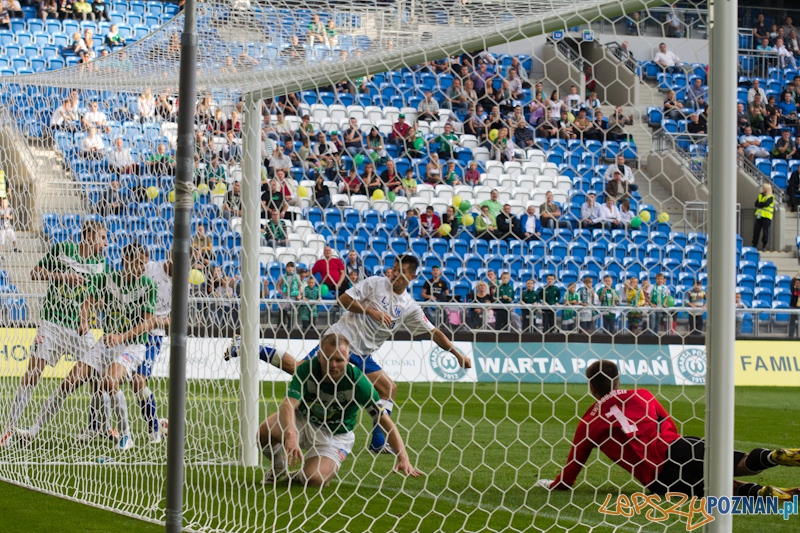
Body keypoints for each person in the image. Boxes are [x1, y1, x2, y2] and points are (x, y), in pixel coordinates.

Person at [537, 360, 800, 498]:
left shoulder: (589, 421)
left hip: (658, 476)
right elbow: (668, 423)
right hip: (676, 446)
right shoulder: (642, 395)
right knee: (737, 461)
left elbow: (574, 465)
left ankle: (773, 493)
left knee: (724, 489)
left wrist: (556, 485)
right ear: (617, 381)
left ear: (592, 388)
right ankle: (772, 456)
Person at [15, 243, 159, 451]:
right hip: (107, 343)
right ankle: (33, 431)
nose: (143, 268)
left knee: (109, 381)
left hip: (131, 345)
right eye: (139, 264)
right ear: (126, 261)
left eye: (145, 264)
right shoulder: (108, 279)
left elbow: (147, 323)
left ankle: (126, 436)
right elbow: (87, 301)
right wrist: (84, 320)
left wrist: (121, 337)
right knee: (69, 382)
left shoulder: (148, 286)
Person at [258, 334, 422, 486]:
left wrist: (403, 456)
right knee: (263, 433)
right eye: (328, 359)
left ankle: (298, 475)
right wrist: (290, 433)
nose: (333, 365)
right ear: (320, 356)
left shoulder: (358, 382)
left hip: (335, 436)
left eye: (339, 360)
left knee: (314, 479)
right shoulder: (307, 370)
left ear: (347, 359)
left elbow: (384, 420)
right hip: (305, 421)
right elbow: (288, 404)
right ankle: (279, 467)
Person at [1, 221, 107, 447]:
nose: (105, 243)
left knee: (98, 374)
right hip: (52, 322)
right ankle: (8, 430)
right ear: (88, 236)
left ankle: (96, 426)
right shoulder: (63, 249)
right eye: (102, 237)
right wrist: (62, 277)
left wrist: (86, 317)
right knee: (33, 374)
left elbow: (98, 297)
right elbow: (34, 273)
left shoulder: (100, 265)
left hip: (79, 328)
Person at [752, 184, 774, 250]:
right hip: (759, 215)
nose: (762, 188)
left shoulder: (770, 197)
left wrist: (760, 204)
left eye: (763, 187)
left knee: (765, 232)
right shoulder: (760, 195)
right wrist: (761, 204)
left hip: (767, 216)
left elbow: (766, 204)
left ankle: (764, 246)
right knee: (756, 231)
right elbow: (756, 204)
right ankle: (754, 245)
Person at [789, 274, 800, 339]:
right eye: (797, 283)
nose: (797, 284)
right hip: (794, 308)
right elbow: (792, 281)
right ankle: (791, 336)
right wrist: (798, 273)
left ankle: (798, 336)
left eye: (799, 283)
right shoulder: (794, 291)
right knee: (792, 323)